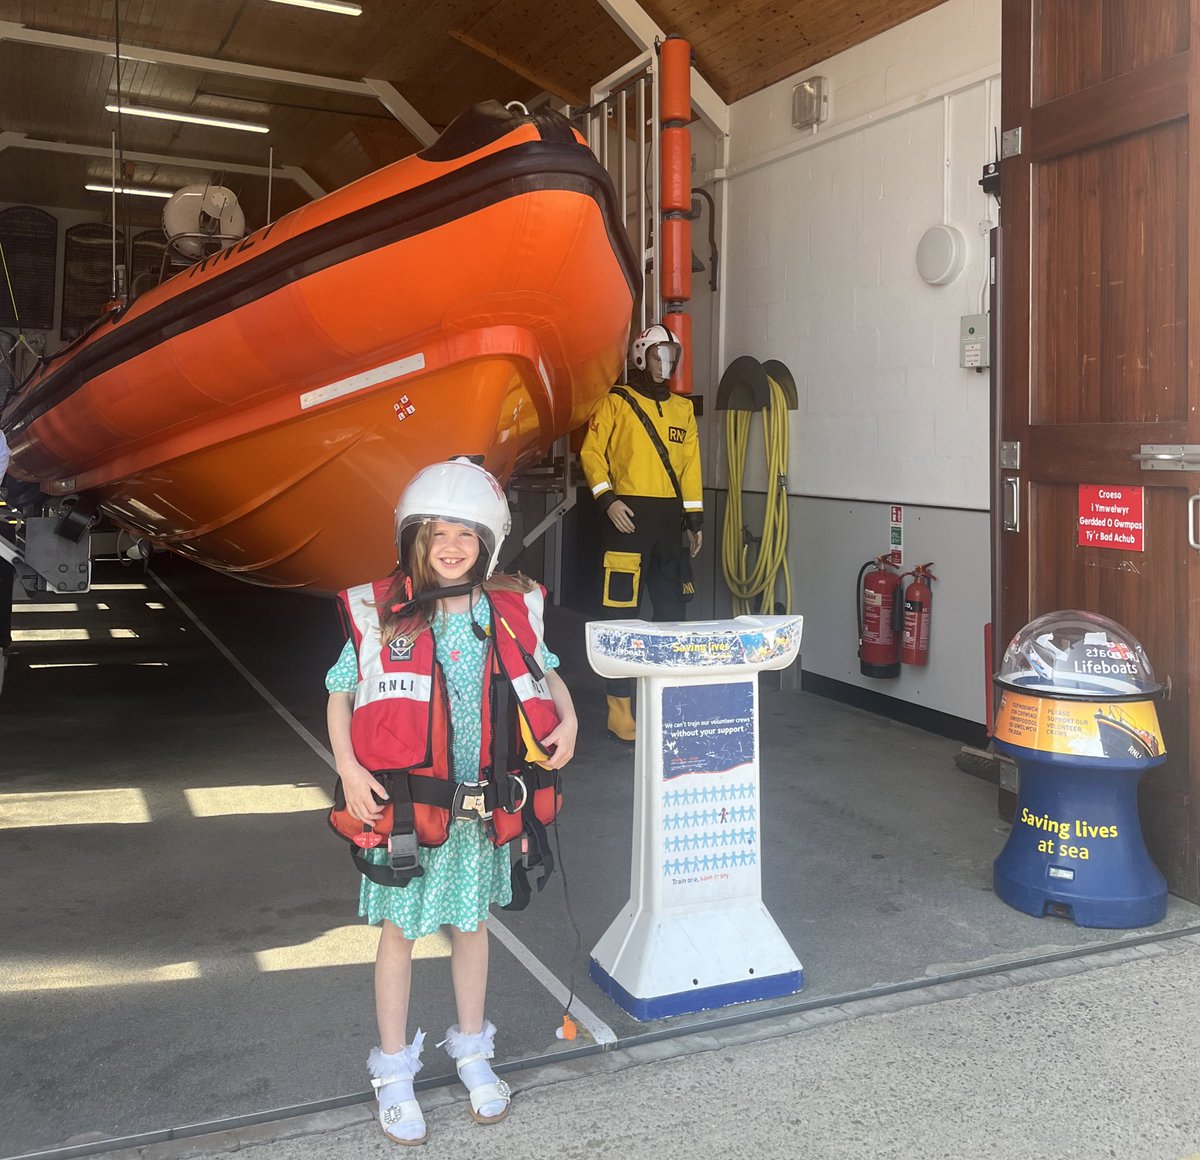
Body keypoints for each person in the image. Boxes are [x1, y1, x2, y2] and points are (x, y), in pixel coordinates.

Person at [325, 457, 578, 1145]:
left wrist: (572, 720)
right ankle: (394, 1072)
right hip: (408, 812)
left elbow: (547, 675)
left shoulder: (506, 612)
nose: (451, 547)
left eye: (465, 535)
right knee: (400, 935)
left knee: (472, 928)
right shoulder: (383, 614)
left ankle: (473, 1050)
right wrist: (347, 765)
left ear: (487, 542)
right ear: (415, 540)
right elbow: (340, 691)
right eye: (437, 534)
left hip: (476, 816)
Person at [580, 323, 703, 743]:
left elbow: (690, 469)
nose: (665, 364)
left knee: (674, 615)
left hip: (670, 525)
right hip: (627, 520)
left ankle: (667, 702)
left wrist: (694, 519)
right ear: (640, 356)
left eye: (671, 356)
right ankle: (620, 709)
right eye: (658, 355)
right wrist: (607, 500)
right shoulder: (617, 402)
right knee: (621, 616)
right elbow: (591, 454)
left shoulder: (684, 411)